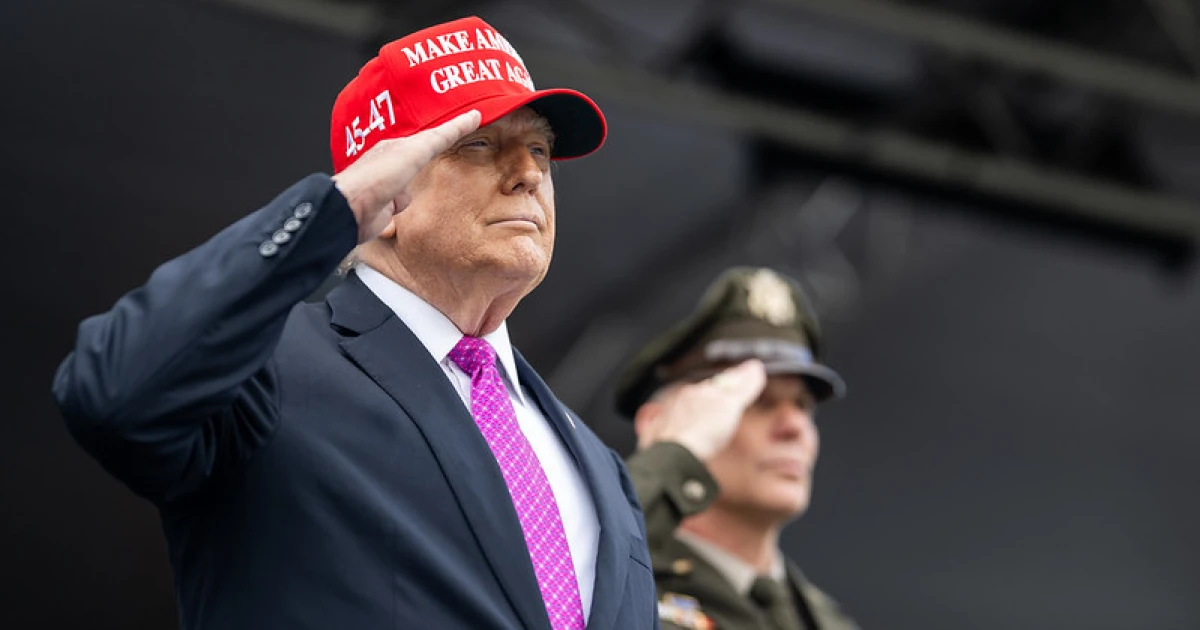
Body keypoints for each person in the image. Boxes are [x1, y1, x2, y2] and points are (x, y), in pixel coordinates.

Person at [52, 16, 656, 630]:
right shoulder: (264, 372)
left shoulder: (598, 463)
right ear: (384, 186)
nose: (529, 173)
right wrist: (335, 209)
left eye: (540, 150)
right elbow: (115, 391)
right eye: (478, 143)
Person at [616, 267, 860, 630]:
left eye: (802, 405)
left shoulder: (825, 620)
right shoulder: (617, 589)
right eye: (756, 400)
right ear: (658, 424)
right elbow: (581, 554)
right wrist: (672, 452)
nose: (794, 427)